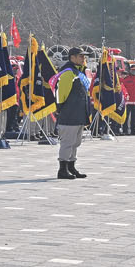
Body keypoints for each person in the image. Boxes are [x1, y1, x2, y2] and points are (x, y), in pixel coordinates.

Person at [54, 46, 90, 180]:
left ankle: (71, 167)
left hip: (79, 114)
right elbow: (61, 95)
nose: (83, 58)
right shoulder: (68, 73)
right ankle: (63, 169)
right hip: (69, 113)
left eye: (84, 56)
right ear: (72, 57)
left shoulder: (78, 72)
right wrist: (62, 108)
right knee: (67, 143)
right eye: (81, 56)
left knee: (76, 142)